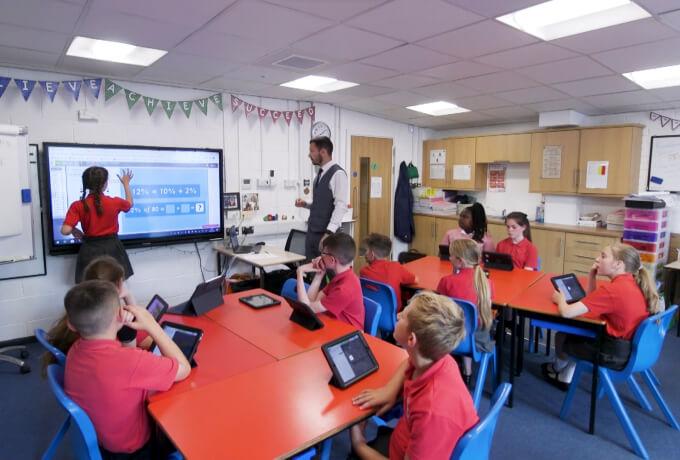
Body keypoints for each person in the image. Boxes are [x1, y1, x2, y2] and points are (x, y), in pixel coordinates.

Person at [63, 280, 191, 458]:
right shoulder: (130, 362)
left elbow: (120, 367)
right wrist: (153, 326)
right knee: (188, 421)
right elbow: (184, 368)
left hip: (102, 440)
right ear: (120, 316)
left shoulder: (75, 350)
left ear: (70, 325)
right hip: (133, 451)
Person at [349, 291, 478, 459]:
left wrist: (358, 444)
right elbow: (409, 362)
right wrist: (390, 390)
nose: (398, 314)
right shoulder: (439, 359)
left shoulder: (432, 413)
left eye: (404, 315)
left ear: (411, 339)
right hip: (406, 440)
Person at [542, 243, 660, 390]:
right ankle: (564, 372)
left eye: (603, 256)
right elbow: (594, 302)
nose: (597, 259)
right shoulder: (633, 282)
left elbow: (566, 312)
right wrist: (592, 276)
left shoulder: (613, 290)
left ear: (618, 264)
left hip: (613, 355)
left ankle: (559, 372)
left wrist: (560, 298)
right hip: (634, 349)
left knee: (562, 336)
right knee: (579, 334)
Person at [42, 256, 145, 373]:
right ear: (120, 284)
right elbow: (131, 357)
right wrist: (129, 296)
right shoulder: (115, 322)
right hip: (111, 370)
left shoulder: (79, 311)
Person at [61, 166, 135, 283]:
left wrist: (74, 230)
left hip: (90, 250)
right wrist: (125, 183)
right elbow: (130, 203)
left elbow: (65, 230)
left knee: (92, 288)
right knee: (116, 287)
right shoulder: (114, 202)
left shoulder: (78, 205)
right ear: (105, 184)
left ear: (85, 184)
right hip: (113, 249)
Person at [437, 239, 494, 385]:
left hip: (450, 338)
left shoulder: (447, 281)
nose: (449, 258)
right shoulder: (486, 283)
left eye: (451, 256)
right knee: (472, 322)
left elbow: (440, 309)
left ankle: (465, 372)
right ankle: (467, 373)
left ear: (460, 261)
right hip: (478, 341)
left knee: (460, 319)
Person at [296, 232, 364, 330]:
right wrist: (320, 274)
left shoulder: (344, 289)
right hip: (334, 326)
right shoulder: (342, 276)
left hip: (347, 336)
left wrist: (300, 271)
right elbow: (312, 301)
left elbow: (307, 309)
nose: (320, 257)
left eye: (323, 253)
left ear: (332, 260)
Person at [295, 136, 348, 259]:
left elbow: (341, 206)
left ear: (323, 152)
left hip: (326, 234)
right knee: (311, 270)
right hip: (312, 233)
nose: (309, 155)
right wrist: (305, 204)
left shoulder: (338, 174)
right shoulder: (319, 175)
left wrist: (329, 233)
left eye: (312, 151)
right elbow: (321, 203)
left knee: (328, 274)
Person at [360, 233, 418, 310]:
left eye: (366, 251)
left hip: (371, 315)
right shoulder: (396, 267)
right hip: (393, 315)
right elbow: (415, 279)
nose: (365, 254)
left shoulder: (364, 272)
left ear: (372, 254)